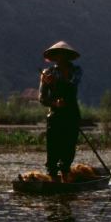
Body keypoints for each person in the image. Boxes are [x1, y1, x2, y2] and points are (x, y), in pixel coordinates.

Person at [39, 41, 82, 182]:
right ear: (54, 57)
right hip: (55, 115)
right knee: (53, 147)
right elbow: (42, 98)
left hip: (71, 114)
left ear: (68, 56)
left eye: (64, 54)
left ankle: (65, 175)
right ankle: (52, 177)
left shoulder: (76, 71)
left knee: (68, 147)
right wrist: (54, 103)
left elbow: (71, 84)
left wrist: (55, 83)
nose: (61, 57)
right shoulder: (47, 73)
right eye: (58, 55)